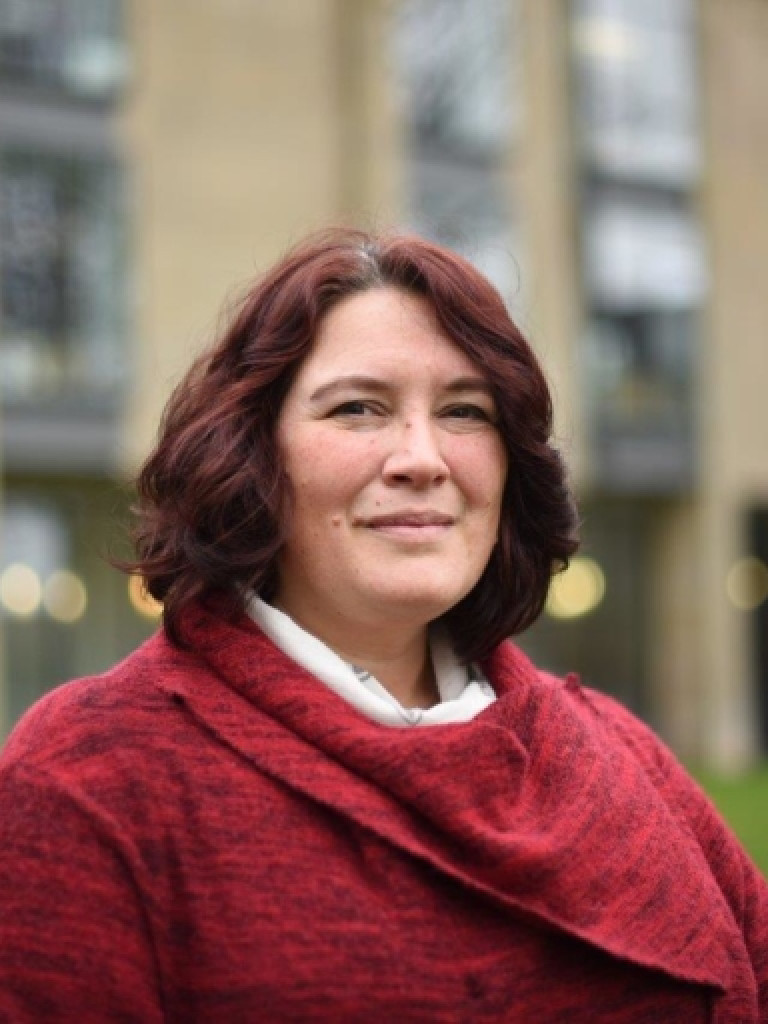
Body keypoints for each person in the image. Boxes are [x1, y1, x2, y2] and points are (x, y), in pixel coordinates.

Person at [0, 228, 765, 1024]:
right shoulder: (91, 776)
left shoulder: (619, 752)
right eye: (359, 408)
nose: (422, 459)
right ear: (251, 450)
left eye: (465, 411)